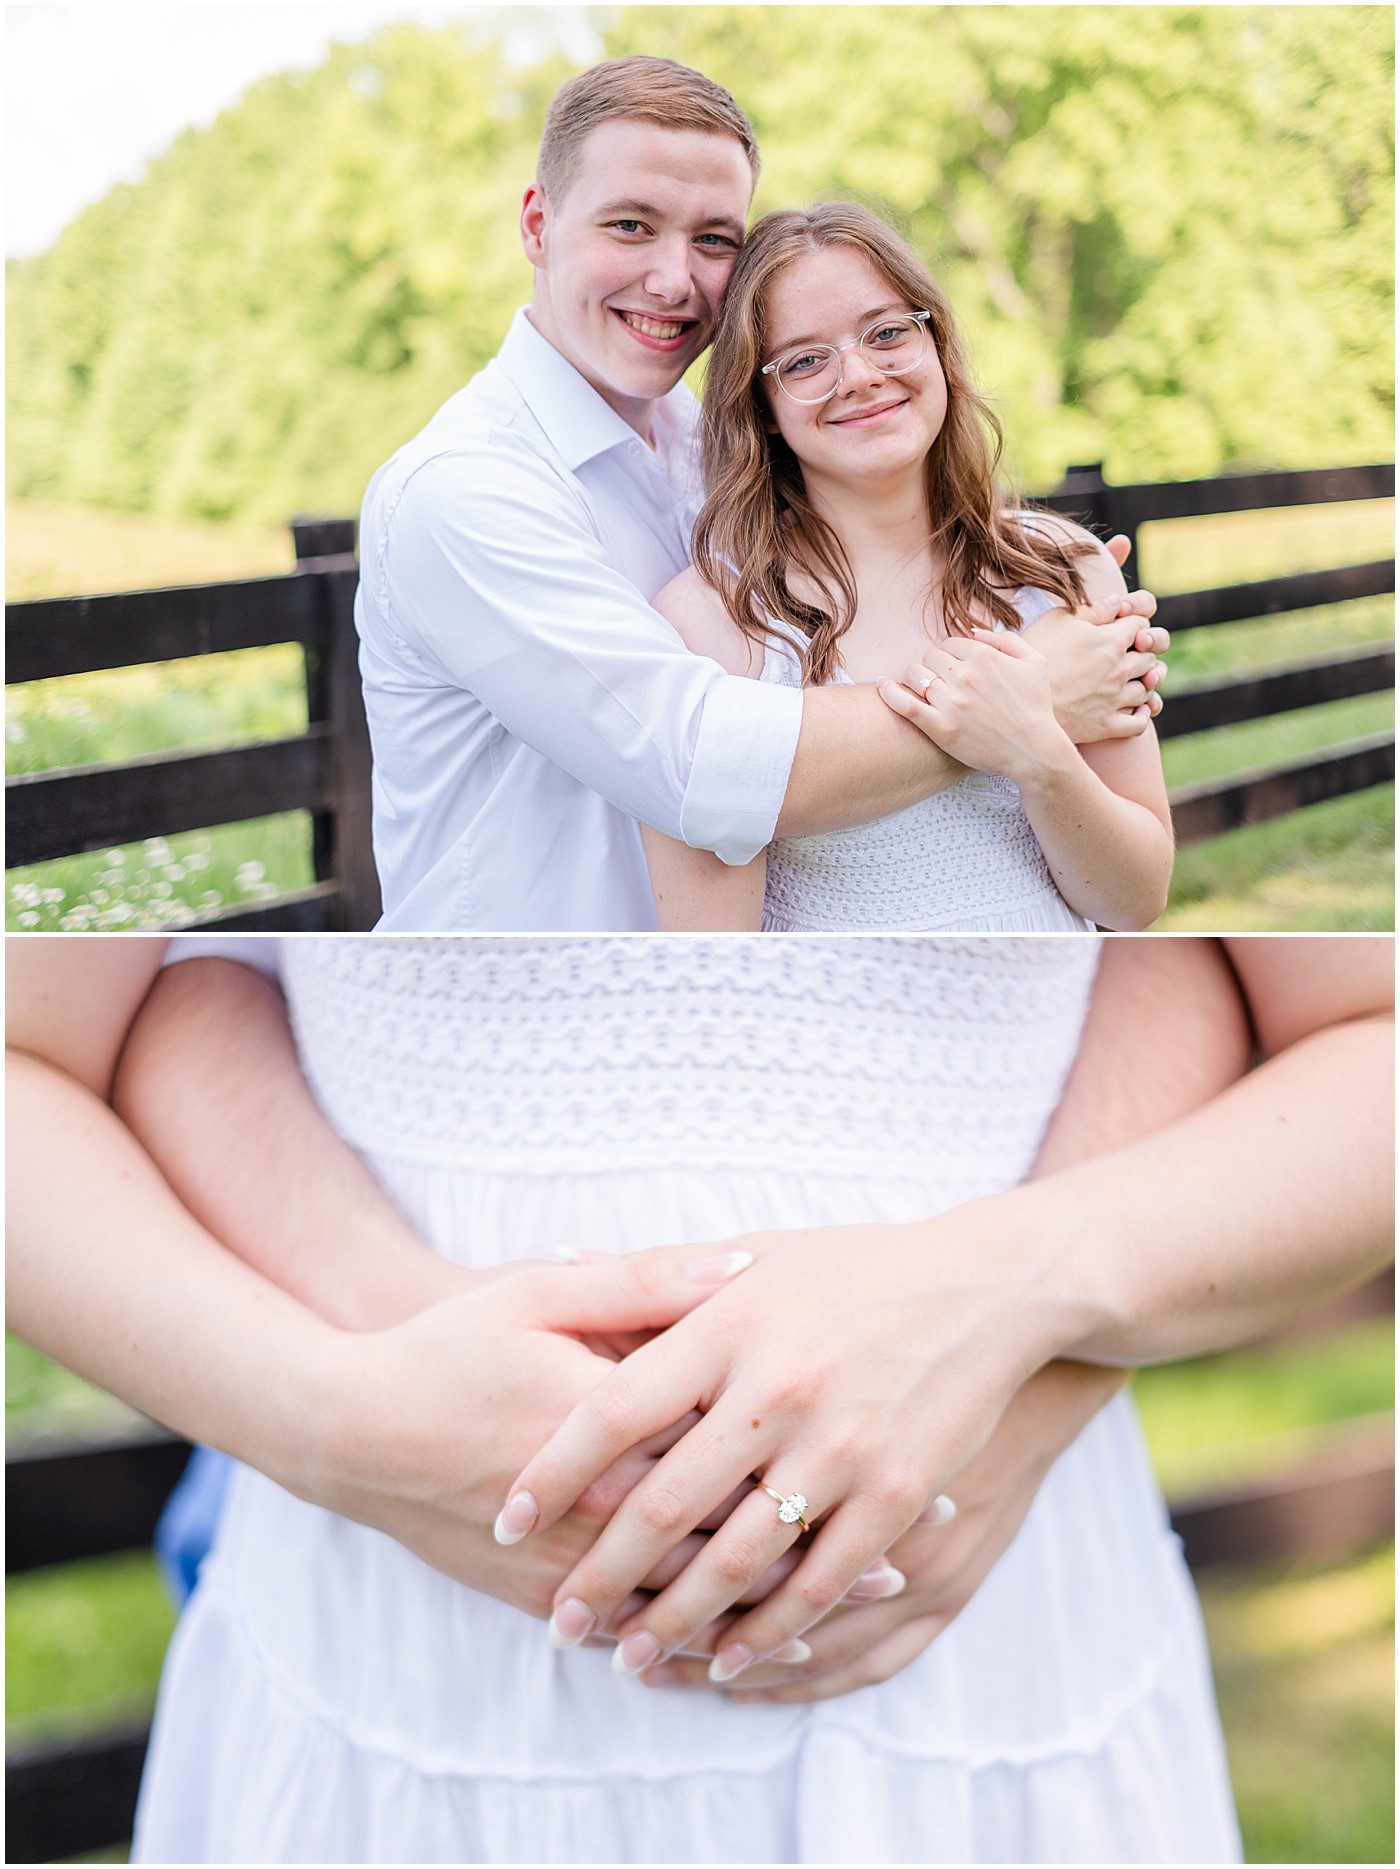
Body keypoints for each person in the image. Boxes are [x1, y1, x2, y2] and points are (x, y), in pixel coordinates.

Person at [7, 933, 1391, 1861]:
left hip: (976, 1645)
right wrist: (334, 1415)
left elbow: (1304, 995)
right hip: (401, 1641)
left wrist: (1017, 1327)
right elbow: (109, 1014)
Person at [352, 56, 1166, 931]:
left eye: (713, 239)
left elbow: (883, 520)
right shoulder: (465, 491)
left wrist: (1037, 573)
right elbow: (705, 768)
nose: (674, 280)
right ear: (538, 224)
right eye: (630, 226)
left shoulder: (713, 449)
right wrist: (1035, 681)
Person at [641, 203, 1172, 932]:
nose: (859, 375)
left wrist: (1041, 755)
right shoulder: (712, 624)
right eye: (803, 360)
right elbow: (713, 953)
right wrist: (1029, 693)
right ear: (762, 406)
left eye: (888, 332)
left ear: (937, 344)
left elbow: (1137, 900)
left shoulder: (1061, 570)